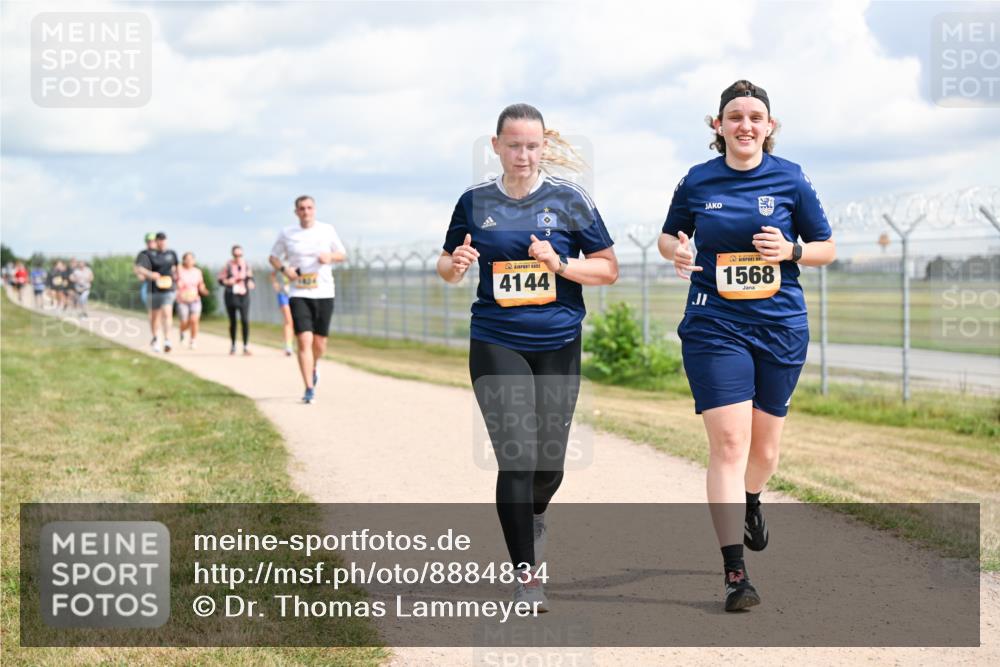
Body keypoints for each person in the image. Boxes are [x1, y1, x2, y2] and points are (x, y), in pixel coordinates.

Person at [658, 80, 836, 612]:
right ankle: (736, 575)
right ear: (718, 126)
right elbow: (668, 236)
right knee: (730, 446)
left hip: (779, 326)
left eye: (756, 117)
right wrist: (677, 251)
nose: (745, 125)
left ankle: (751, 499)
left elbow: (827, 247)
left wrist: (791, 250)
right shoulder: (697, 180)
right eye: (734, 116)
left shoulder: (791, 178)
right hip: (714, 323)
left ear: (770, 126)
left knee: (764, 453)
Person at [437, 103, 618, 612]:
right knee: (516, 454)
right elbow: (446, 264)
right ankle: (526, 575)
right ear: (495, 146)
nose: (523, 155)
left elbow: (607, 269)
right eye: (513, 145)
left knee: (548, 465)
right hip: (496, 339)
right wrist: (455, 264)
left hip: (558, 341)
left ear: (545, 146)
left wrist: (559, 264)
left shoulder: (569, 199)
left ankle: (535, 513)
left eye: (533, 146)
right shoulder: (474, 201)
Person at [268, 196, 347, 403]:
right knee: (304, 340)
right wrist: (285, 269)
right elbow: (273, 257)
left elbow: (342, 254)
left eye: (309, 208)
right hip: (299, 293)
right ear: (296, 212)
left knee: (319, 343)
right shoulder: (287, 233)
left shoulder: (327, 230)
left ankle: (314, 365)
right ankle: (309, 388)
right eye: (302, 208)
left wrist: (330, 257)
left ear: (315, 210)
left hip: (324, 291)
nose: (306, 211)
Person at [134, 232, 179, 353]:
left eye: (164, 240)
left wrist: (177, 280)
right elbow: (138, 268)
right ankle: (156, 338)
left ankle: (167, 340)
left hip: (168, 288)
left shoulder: (171, 253)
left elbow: (176, 268)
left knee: (167, 313)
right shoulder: (147, 254)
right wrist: (150, 274)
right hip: (153, 289)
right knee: (154, 316)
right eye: (158, 240)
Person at [218, 245, 255, 355]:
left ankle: (245, 346)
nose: (238, 257)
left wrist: (251, 282)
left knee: (245, 320)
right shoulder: (227, 265)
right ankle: (233, 345)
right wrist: (227, 282)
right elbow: (220, 280)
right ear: (232, 255)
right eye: (236, 255)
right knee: (233, 321)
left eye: (240, 255)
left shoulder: (247, 265)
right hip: (231, 295)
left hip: (243, 295)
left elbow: (251, 278)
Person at [176, 252, 210, 349]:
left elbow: (201, 284)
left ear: (194, 261)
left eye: (191, 259)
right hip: (182, 300)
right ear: (183, 260)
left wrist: (203, 290)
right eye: (187, 259)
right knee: (184, 321)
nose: (189, 261)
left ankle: (193, 340)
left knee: (194, 320)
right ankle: (182, 331)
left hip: (195, 299)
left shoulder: (197, 272)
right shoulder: (179, 270)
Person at [271, 268, 295, 356]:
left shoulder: (297, 261)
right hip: (283, 294)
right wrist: (275, 283)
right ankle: (288, 346)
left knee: (293, 321)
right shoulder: (281, 262)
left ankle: (292, 343)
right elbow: (273, 274)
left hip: (295, 294)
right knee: (288, 320)